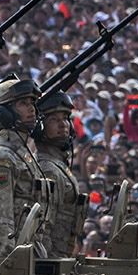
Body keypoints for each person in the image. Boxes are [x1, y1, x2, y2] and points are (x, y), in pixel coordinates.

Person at [0, 78, 54, 257]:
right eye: (23, 103)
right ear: (3, 113)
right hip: (18, 254)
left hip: (32, 248)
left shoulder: (22, 153)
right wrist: (11, 259)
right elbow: (1, 212)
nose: (31, 109)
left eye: (32, 103)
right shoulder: (3, 156)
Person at [34, 91, 85, 257]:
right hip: (53, 257)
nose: (63, 124)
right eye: (54, 120)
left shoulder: (58, 165)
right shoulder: (48, 169)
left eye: (65, 119)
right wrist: (50, 261)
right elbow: (43, 227)